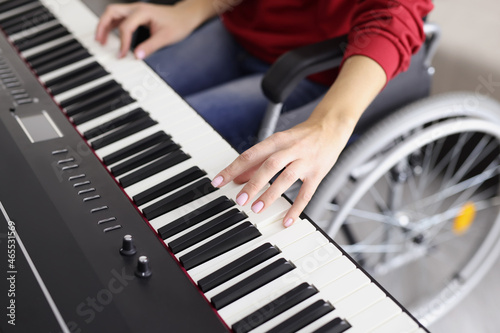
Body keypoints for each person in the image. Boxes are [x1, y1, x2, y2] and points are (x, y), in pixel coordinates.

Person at [96, 0, 434, 228]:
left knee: (160, 142)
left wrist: (329, 123)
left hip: (318, 71)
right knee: (125, 105)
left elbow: (394, 17)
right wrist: (194, 9)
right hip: (241, 27)